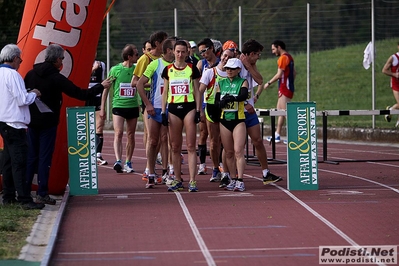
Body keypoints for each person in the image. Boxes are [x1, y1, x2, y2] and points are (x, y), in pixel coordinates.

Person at [24, 44, 111, 205]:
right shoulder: (56, 77)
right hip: (48, 123)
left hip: (31, 121)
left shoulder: (30, 74)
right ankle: (42, 192)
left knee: (31, 157)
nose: (63, 62)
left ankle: (24, 193)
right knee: (44, 158)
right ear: (57, 60)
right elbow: (79, 93)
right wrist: (101, 86)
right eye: (62, 59)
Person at [219, 39, 282, 188]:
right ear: (251, 53)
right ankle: (226, 175)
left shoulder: (250, 64)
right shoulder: (235, 64)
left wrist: (249, 65)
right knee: (230, 148)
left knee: (257, 141)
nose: (259, 57)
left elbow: (260, 80)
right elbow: (226, 84)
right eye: (258, 54)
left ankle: (266, 173)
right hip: (235, 110)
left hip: (249, 111)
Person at [0, 44, 44, 210]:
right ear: (15, 58)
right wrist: (34, 93)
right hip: (15, 124)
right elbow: (22, 100)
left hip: (3, 121)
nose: (20, 63)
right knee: (20, 162)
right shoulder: (13, 75)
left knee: (8, 161)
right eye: (20, 59)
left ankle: (8, 195)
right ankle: (25, 199)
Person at [161, 40, 201, 192]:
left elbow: (197, 91)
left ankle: (192, 181)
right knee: (175, 147)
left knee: (191, 146)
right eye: (178, 51)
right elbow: (165, 92)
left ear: (187, 52)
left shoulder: (192, 69)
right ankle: (178, 179)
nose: (180, 54)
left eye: (183, 51)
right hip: (173, 110)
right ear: (172, 51)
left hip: (189, 108)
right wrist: (163, 111)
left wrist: (198, 110)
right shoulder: (168, 70)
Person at [137, 38, 175, 188]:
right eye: (175, 50)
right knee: (153, 141)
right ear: (168, 51)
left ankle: (166, 171)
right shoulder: (155, 64)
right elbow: (140, 84)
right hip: (155, 107)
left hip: (170, 108)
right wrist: (148, 104)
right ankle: (151, 172)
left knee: (166, 139)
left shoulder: (178, 66)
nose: (178, 53)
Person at [131, 31, 168, 180]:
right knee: (151, 137)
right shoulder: (145, 59)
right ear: (158, 43)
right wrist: (152, 84)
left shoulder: (164, 59)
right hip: (149, 100)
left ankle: (165, 169)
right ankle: (148, 169)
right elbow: (135, 82)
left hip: (164, 103)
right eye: (165, 41)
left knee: (163, 138)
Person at [100, 44, 140, 174]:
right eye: (136, 54)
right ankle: (118, 160)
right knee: (118, 133)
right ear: (129, 56)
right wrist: (102, 108)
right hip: (118, 106)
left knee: (131, 135)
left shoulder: (136, 69)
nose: (137, 56)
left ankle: (128, 162)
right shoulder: (115, 69)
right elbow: (106, 89)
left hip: (132, 106)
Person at [199, 48, 235, 182]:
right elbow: (200, 90)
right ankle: (215, 168)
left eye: (230, 57)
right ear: (221, 55)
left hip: (227, 109)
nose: (226, 58)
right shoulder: (210, 72)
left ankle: (226, 169)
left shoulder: (233, 74)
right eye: (225, 55)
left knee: (226, 142)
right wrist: (200, 110)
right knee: (214, 142)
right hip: (212, 107)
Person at [216, 58, 248, 191]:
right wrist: (220, 103)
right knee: (228, 152)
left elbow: (243, 95)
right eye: (228, 68)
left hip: (238, 120)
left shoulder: (242, 82)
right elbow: (216, 102)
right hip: (224, 121)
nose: (229, 71)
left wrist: (232, 98)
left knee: (238, 151)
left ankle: (240, 180)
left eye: (232, 69)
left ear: (238, 70)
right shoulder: (220, 83)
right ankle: (233, 179)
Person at [263, 40, 296, 143]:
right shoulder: (289, 57)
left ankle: (294, 135)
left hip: (284, 88)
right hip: (287, 87)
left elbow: (279, 75)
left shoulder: (283, 58)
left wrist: (268, 83)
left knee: (286, 112)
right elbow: (294, 73)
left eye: (273, 49)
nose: (273, 52)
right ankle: (277, 134)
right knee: (280, 111)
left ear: (279, 47)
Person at [196, 38, 220, 175]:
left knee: (218, 138)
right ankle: (203, 164)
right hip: (205, 103)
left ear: (211, 48)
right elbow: (196, 82)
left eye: (204, 51)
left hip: (219, 103)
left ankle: (219, 165)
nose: (203, 54)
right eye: (200, 52)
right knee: (204, 133)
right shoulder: (202, 64)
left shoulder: (221, 63)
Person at [85, 55, 108, 165]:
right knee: (86, 127)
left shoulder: (101, 65)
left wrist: (103, 105)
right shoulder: (83, 64)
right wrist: (92, 69)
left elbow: (103, 84)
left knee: (99, 127)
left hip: (97, 98)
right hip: (86, 97)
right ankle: (86, 153)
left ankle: (98, 155)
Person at [382, 41, 399, 127]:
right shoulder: (393, 58)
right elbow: (384, 70)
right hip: (396, 84)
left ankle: (391, 109)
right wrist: (394, 74)